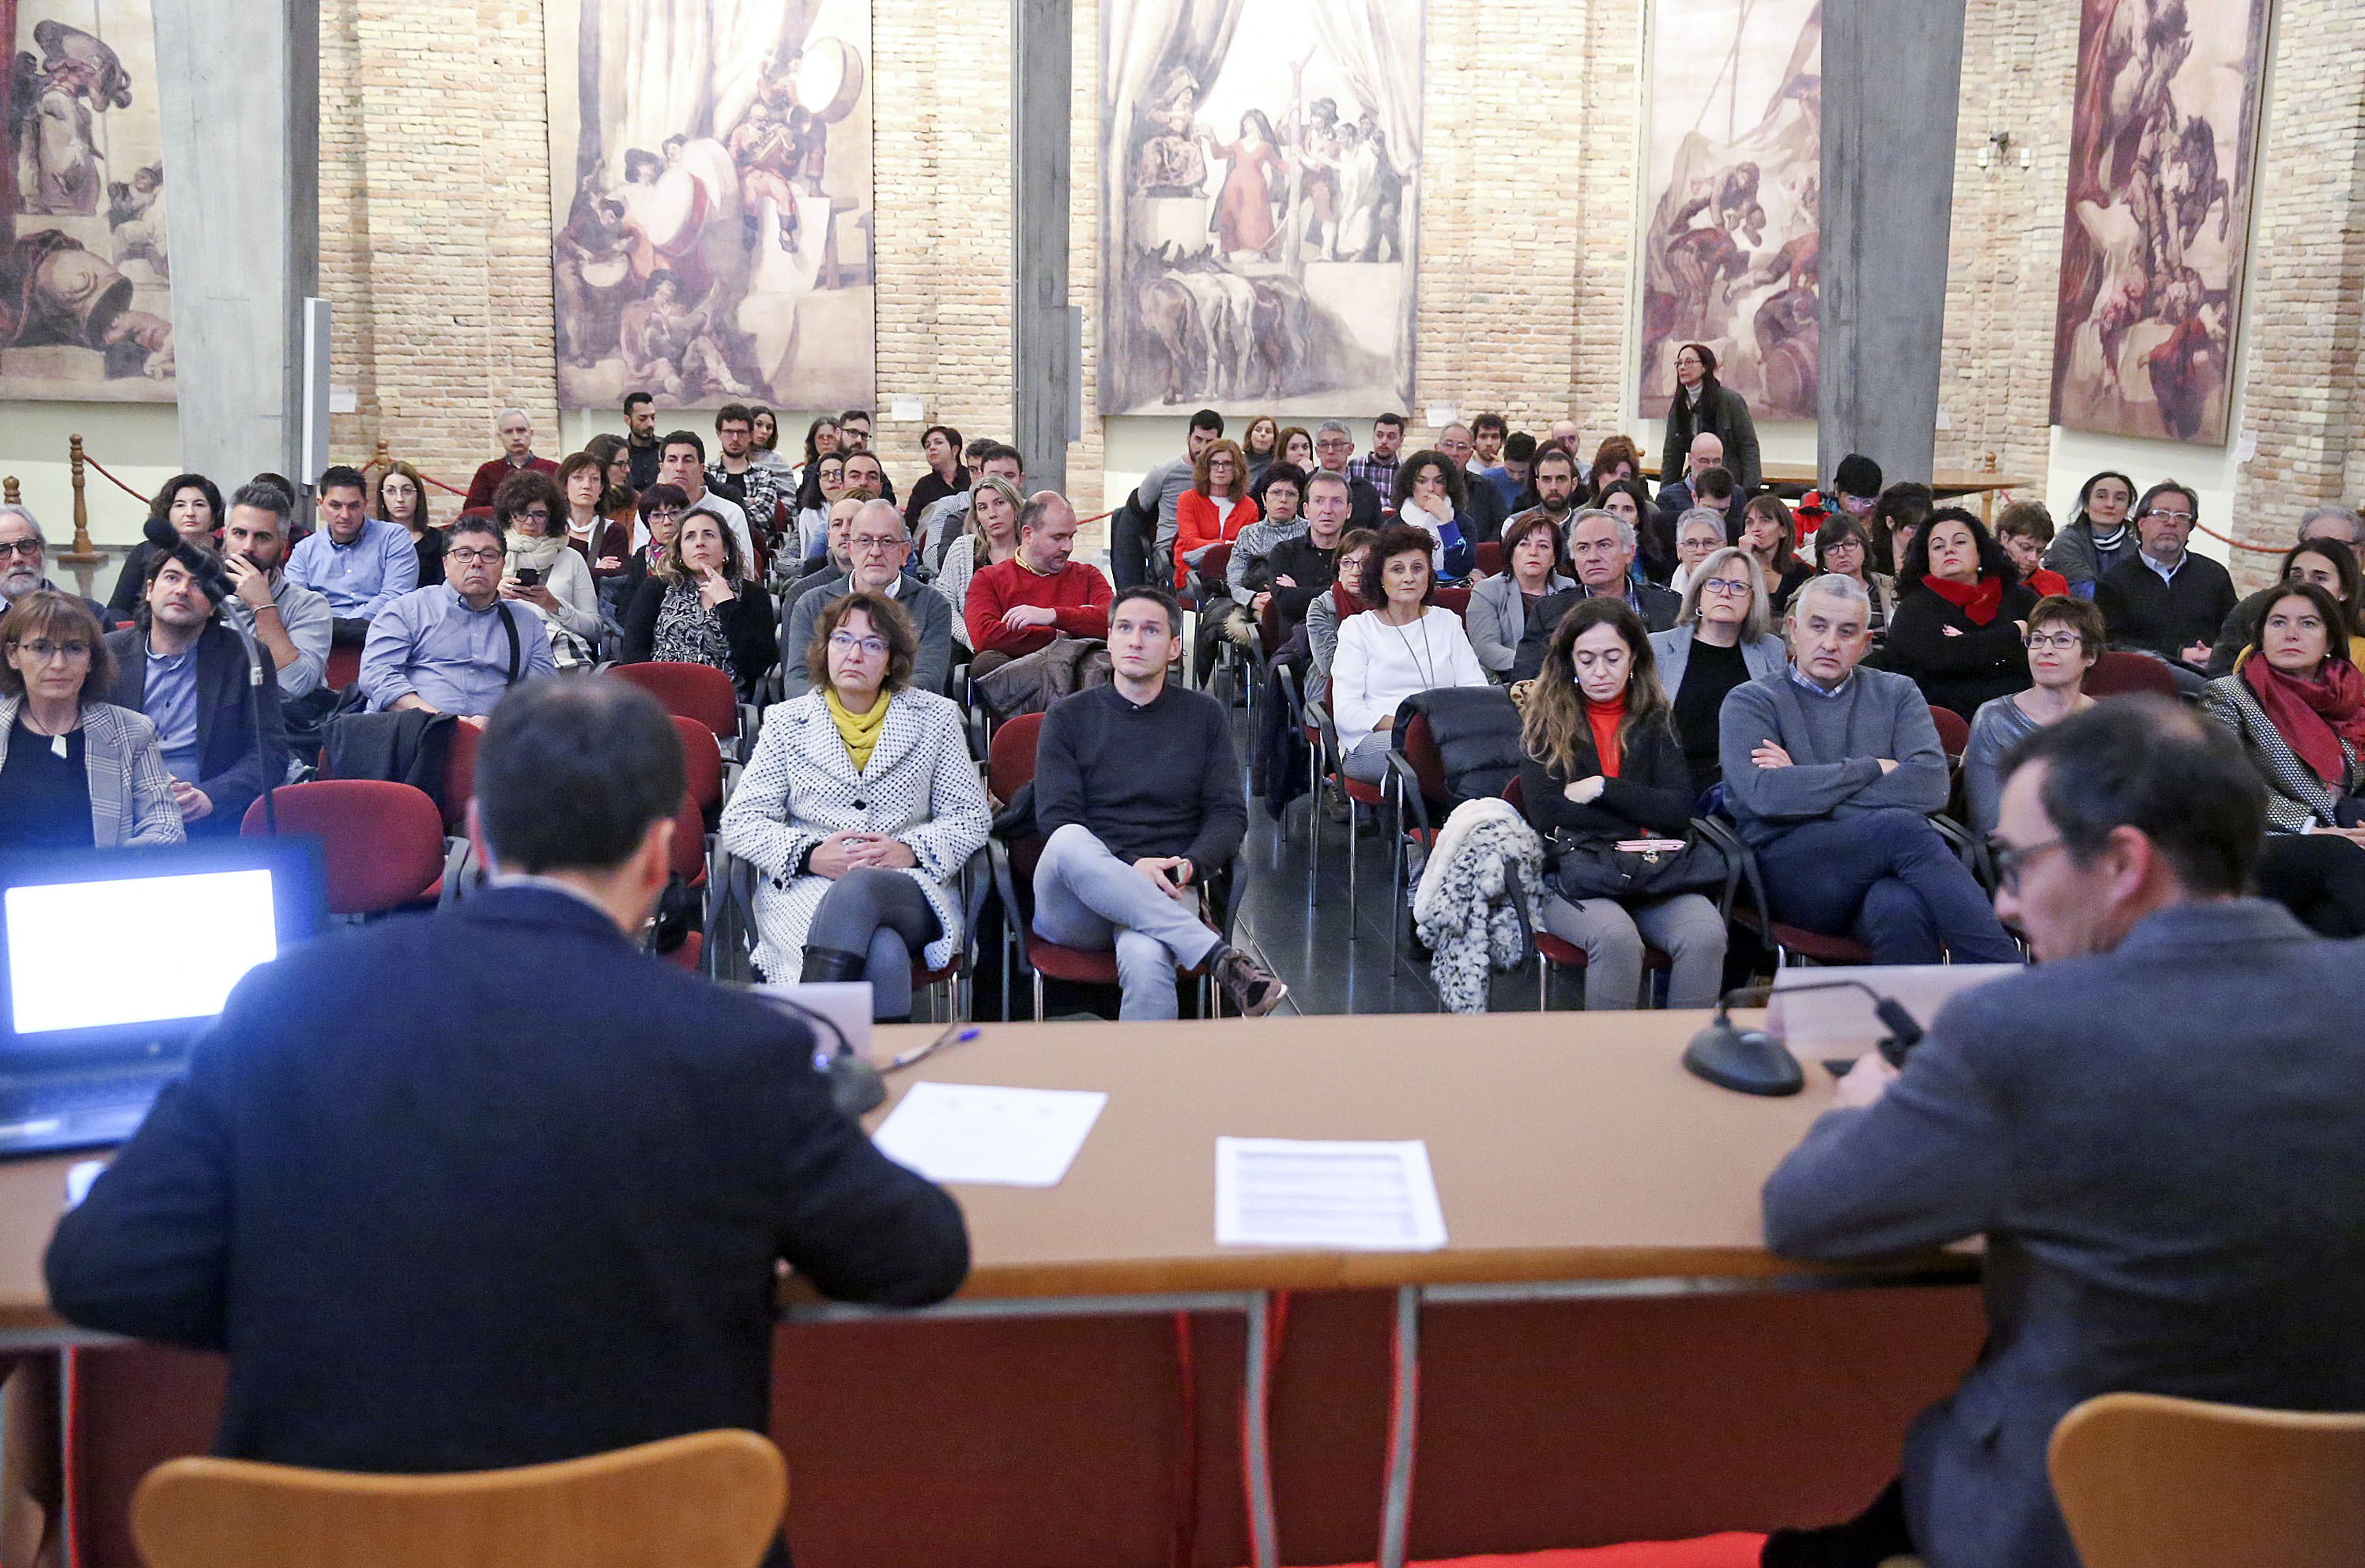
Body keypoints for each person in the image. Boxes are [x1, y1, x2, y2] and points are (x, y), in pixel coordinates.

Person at [45, 678, 968, 1503]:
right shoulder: (739, 1049)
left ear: (477, 836)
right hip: (650, 1538)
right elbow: (920, 1255)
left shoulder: (282, 1007)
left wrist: (301, 1302)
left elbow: (98, 1268)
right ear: (659, 857)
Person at [1760, 696, 2365, 1568]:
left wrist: (1860, 1103)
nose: (2003, 902)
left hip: (2073, 1524)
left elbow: (1806, 1217)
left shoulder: (2015, 1037)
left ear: (2121, 863)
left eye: (2017, 862)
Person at [1719, 574, 2020, 964]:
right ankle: (2006, 976)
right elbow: (1767, 795)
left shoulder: (1897, 692)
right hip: (1790, 871)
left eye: (1847, 632)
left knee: (1899, 908)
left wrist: (1806, 780)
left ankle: (1919, 1026)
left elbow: (1930, 787)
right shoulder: (1751, 701)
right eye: (1818, 626)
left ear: (1864, 644)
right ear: (1793, 630)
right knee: (1901, 828)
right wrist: (1873, 768)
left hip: (1880, 869)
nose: (1830, 643)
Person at [721, 592, 990, 1016]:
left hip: (910, 885)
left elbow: (971, 816)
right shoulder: (786, 722)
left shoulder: (936, 717)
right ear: (824, 649)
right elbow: (741, 821)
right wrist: (809, 855)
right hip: (807, 889)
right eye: (843, 639)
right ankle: (873, 1079)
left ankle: (806, 1050)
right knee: (883, 955)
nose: (855, 654)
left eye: (873, 644)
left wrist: (910, 850)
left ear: (892, 658)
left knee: (860, 888)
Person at [1031, 586, 1284, 1020]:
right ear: (1108, 640)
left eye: (1151, 630)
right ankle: (1219, 955)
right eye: (1124, 628)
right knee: (1069, 838)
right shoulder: (1068, 716)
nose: (1135, 640)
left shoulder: (1203, 716)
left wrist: (1190, 865)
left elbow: (1227, 813)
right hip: (1076, 903)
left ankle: (1150, 1085)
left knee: (1148, 960)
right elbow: (1056, 819)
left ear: (1173, 647)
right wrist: (1130, 865)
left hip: (1170, 882)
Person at [1518, 599, 1727, 1008]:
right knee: (1616, 939)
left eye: (1613, 658)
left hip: (1653, 872)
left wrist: (1603, 788)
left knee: (1706, 933)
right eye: (1587, 659)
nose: (1600, 672)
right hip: (1573, 871)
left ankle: (1682, 1058)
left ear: (1633, 658)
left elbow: (1678, 810)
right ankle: (1611, 1067)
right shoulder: (1545, 722)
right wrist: (1640, 822)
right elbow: (1548, 812)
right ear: (1569, 662)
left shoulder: (1654, 717)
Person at [2201, 580, 2365, 938]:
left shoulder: (2352, 701)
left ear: (2331, 639)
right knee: (2338, 856)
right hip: (2257, 840)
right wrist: (2316, 830)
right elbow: (2222, 785)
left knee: (2329, 921)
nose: (2291, 633)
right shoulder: (2229, 695)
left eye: (2308, 623)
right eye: (2278, 623)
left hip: (2339, 844)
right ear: (2260, 636)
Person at [102, 543, 285, 836]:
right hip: (124, 811)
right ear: (150, 590)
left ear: (214, 604)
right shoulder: (107, 654)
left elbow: (269, 753)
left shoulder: (245, 656)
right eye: (172, 577)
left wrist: (211, 796)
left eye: (198, 583)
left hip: (208, 818)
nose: (182, 590)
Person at [0, 590, 182, 850]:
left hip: (96, 884)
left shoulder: (131, 731)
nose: (59, 664)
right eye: (41, 648)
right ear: (13, 655)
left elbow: (166, 826)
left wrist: (109, 871)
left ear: (90, 660)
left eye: (75, 648)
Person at [1330, 524, 1490, 782]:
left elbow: (1476, 690)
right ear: (1381, 579)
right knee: (1425, 754)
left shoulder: (1447, 622)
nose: (1409, 577)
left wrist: (1443, 726)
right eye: (1397, 569)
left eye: (1417, 568)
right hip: (1372, 740)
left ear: (1429, 575)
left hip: (1444, 733)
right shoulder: (1358, 629)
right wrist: (1414, 728)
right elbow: (1347, 714)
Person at [360, 515, 557, 718]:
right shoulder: (407, 610)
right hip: (415, 731)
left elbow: (541, 696)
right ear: (446, 564)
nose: (476, 563)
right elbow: (377, 675)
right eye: (464, 554)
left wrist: (494, 725)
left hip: (493, 740)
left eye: (488, 555)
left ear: (503, 565)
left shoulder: (527, 623)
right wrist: (443, 721)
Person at [1649, 545, 1786, 799]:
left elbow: (1781, 724)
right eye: (1715, 583)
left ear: (1753, 599)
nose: (1725, 593)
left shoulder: (1770, 650)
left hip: (1745, 785)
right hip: (1674, 784)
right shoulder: (1657, 648)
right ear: (1699, 592)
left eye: (1738, 586)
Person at [782, 502, 952, 697]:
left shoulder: (933, 605)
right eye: (865, 541)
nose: (875, 551)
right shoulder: (810, 604)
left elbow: (928, 680)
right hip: (825, 721)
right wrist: (844, 714)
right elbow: (799, 681)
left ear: (904, 553)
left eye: (887, 541)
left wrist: (868, 708)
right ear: (851, 550)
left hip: (905, 722)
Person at [1962, 596, 2101, 834]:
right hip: (2020, 857)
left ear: (2090, 655)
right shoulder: (1994, 719)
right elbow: (1988, 824)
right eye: (2037, 640)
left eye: (2062, 640)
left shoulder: (2107, 722)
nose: (2045, 650)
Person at [1884, 507, 2038, 719]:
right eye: (1938, 546)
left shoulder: (2020, 598)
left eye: (1960, 542)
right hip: (1941, 724)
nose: (1949, 550)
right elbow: (1945, 658)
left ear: (1980, 552)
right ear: (1927, 560)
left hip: (2019, 717)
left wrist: (1968, 642)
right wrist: (2014, 632)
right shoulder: (1914, 608)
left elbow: (2045, 647)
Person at [620, 511, 778, 701]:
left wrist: (726, 603)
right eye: (690, 537)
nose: (699, 543)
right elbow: (633, 655)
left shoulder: (752, 595)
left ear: (726, 549)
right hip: (658, 700)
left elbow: (757, 664)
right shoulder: (655, 589)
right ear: (679, 552)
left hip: (721, 702)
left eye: (709, 535)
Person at [962, 493, 1112, 677]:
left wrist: (1052, 615)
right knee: (987, 663)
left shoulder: (1088, 575)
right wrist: (1059, 634)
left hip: (1078, 677)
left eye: (1071, 537)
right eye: (1058, 538)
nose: (1068, 547)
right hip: (1022, 683)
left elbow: (1112, 620)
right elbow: (984, 637)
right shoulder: (988, 579)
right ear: (1028, 535)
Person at [2093, 480, 2239, 667]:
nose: (2171, 522)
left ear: (2189, 528)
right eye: (2161, 515)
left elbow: (2236, 631)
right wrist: (2178, 653)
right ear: (2142, 523)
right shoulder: (2114, 581)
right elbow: (2112, 643)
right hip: (2143, 678)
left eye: (2181, 516)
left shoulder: (2214, 575)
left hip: (2208, 675)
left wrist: (2217, 653)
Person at [217, 482, 333, 705]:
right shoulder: (201, 597)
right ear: (224, 538)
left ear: (283, 546)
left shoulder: (309, 605)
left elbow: (295, 686)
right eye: (240, 533)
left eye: (262, 537)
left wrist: (262, 607)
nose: (248, 547)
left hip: (278, 729)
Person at [285, 466, 419, 646]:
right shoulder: (304, 550)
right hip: (321, 641)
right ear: (320, 504)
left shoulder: (393, 538)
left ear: (365, 503)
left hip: (381, 635)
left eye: (353, 506)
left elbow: (396, 596)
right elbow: (296, 604)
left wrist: (342, 624)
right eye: (336, 506)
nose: (345, 515)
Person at [2208, 530, 2365, 677]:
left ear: (2344, 590)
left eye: (2319, 578)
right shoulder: (2253, 653)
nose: (2305, 585)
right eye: (2296, 577)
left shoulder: (2361, 654)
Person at [495, 471, 604, 662]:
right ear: (509, 516)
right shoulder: (492, 554)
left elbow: (595, 631)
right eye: (521, 513)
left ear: (552, 517)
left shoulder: (571, 558)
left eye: (539, 514)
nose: (530, 522)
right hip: (502, 651)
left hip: (560, 655)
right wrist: (493, 596)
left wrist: (554, 605)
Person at [1466, 510, 1575, 682]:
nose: (1533, 552)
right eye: (1524, 544)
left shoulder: (1568, 588)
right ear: (1511, 553)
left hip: (1560, 680)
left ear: (1554, 557)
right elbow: (1486, 648)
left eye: (1543, 546)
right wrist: (1535, 666)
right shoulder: (1487, 591)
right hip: (1507, 680)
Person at [1123, 409, 1223, 590]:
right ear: (1188, 438)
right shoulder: (1163, 473)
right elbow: (1136, 512)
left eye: (1210, 442)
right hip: (1170, 553)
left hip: (1211, 548)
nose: (1202, 448)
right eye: (1198, 440)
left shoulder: (1226, 474)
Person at [110, 474, 224, 620]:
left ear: (213, 515)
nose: (190, 513)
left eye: (199, 505)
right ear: (168, 514)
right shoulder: (145, 552)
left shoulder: (226, 552)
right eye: (180, 505)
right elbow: (119, 609)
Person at [1658, 342, 1761, 493]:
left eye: (1689, 362)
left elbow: (1748, 448)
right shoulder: (1679, 405)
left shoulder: (1730, 400)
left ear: (1705, 368)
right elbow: (1672, 456)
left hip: (1730, 484)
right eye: (1679, 363)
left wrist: (1750, 493)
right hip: (1695, 484)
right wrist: (1665, 494)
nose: (1682, 367)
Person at [1559, 508, 1680, 632]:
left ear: (1630, 552)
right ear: (1573, 556)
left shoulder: (1670, 605)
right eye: (1583, 548)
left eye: (1604, 545)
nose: (1592, 557)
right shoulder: (1546, 612)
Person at [937, 476, 1022, 653]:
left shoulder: (1033, 551)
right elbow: (945, 605)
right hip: (971, 648)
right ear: (977, 518)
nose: (992, 514)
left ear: (1015, 506)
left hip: (1026, 644)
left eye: (999, 503)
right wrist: (973, 638)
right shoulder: (962, 549)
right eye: (983, 508)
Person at [1264, 474, 1349, 638]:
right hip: (1300, 650)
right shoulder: (1284, 552)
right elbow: (1285, 602)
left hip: (1352, 646)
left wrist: (1301, 592)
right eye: (1319, 501)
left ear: (1348, 511)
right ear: (1306, 510)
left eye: (1337, 501)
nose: (1328, 510)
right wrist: (1342, 591)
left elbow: (1366, 599)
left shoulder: (1361, 554)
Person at [654, 430, 755, 566]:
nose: (679, 468)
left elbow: (744, 570)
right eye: (672, 460)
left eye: (688, 460)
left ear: (701, 469)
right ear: (662, 468)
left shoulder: (731, 513)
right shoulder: (651, 513)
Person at [1172, 437, 1258, 592]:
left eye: (1227, 463)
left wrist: (1221, 547)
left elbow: (1247, 548)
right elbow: (1190, 542)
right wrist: (1225, 545)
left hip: (1235, 572)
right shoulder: (1188, 499)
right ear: (1205, 467)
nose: (1220, 469)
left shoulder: (1249, 505)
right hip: (1193, 571)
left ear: (1237, 468)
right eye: (1214, 463)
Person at [1, 503, 108, 625]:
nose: (17, 558)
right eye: (2, 550)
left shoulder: (90, 615)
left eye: (26, 546)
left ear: (42, 550)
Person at [2039, 469, 2138, 597]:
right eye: (2101, 496)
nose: (2110, 504)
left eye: (2120, 498)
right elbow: (2083, 594)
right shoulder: (2067, 542)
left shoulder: (2139, 543)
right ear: (2086, 505)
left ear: (2127, 509)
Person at [1306, 528, 1377, 705]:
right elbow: (1330, 665)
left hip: (1382, 693)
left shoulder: (1389, 604)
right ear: (1338, 568)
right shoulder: (1321, 607)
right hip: (1330, 694)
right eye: (1347, 563)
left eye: (1365, 563)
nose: (1356, 571)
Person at [1227, 462, 1308, 612]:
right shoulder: (1248, 534)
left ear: (1299, 500)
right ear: (1264, 499)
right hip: (1257, 603)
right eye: (1276, 493)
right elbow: (1234, 581)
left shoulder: (1311, 531)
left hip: (1301, 604)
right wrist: (1252, 600)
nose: (1283, 499)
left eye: (1291, 494)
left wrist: (1288, 594)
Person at [706, 404, 789, 545]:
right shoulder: (707, 474)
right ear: (719, 433)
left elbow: (762, 518)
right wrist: (747, 501)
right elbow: (698, 514)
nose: (735, 438)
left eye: (741, 432)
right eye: (729, 432)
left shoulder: (764, 474)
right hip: (710, 545)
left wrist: (720, 507)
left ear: (750, 435)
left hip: (752, 546)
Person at [1391, 450, 1477, 583]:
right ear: (1410, 485)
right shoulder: (1394, 525)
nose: (1431, 488)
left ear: (1448, 485)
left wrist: (1446, 521)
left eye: (1439, 481)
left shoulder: (1463, 523)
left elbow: (1460, 568)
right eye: (1422, 481)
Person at [462, 409, 560, 512]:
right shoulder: (487, 471)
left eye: (521, 430)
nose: (516, 437)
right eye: (509, 432)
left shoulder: (553, 470)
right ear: (500, 437)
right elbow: (472, 511)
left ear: (531, 433)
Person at [1811, 515, 1894, 632]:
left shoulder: (1890, 587)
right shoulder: (1807, 594)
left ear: (1865, 548)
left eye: (1849, 544)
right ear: (1822, 557)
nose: (1841, 553)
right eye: (1831, 548)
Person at [1736, 492, 1812, 612]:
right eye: (1749, 522)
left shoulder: (1799, 573)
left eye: (1765, 521)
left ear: (1783, 531)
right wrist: (1743, 559)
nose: (1755, 529)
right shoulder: (1730, 569)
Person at [374, 460, 443, 589]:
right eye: (391, 491)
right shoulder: (371, 540)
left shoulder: (438, 540)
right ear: (382, 496)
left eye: (406, 490)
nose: (399, 499)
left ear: (418, 495)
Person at [1435, 424, 1507, 543]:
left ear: (1470, 454)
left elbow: (1501, 525)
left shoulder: (1487, 488)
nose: (1454, 453)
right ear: (1437, 449)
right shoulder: (1423, 487)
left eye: (1462, 447)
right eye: (1448, 445)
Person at [1311, 420, 1386, 530]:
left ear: (1351, 449)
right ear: (1317, 451)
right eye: (1324, 445)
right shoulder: (1305, 484)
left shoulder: (1367, 491)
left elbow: (1377, 533)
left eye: (1337, 444)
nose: (1330, 451)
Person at [900, 424, 969, 536]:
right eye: (928, 446)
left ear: (955, 450)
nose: (932, 448)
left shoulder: (971, 478)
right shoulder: (923, 486)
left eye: (938, 442)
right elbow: (910, 524)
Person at [1506, 443, 1582, 543]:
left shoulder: (1586, 526)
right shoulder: (1514, 525)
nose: (1553, 487)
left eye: (1561, 479)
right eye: (1546, 479)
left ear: (1574, 483)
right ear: (1538, 484)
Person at [1992, 501, 2069, 597]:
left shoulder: (2054, 583)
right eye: (2025, 548)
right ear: (2005, 538)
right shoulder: (1983, 579)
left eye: (2040, 551)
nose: (2033, 558)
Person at [1869, 482, 1935, 578]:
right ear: (1890, 523)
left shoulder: (1932, 559)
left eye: (1925, 527)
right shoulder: (1871, 559)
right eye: (1913, 528)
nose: (1920, 533)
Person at [794, 452, 849, 564]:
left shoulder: (859, 509)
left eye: (838, 473)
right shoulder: (807, 514)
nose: (831, 479)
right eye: (825, 474)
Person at [1665, 508, 1729, 600]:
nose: (1700, 551)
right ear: (1679, 551)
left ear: (1723, 547)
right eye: (1691, 543)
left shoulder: (1738, 591)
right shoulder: (1661, 596)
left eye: (1709, 543)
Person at [620, 390, 663, 490]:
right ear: (627, 420)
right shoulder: (620, 453)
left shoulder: (667, 449)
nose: (650, 424)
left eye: (653, 418)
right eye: (642, 419)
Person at [1240, 415, 1281, 484]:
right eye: (1258, 430)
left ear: (1274, 440)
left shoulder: (1278, 463)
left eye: (1268, 432)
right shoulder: (1238, 460)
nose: (1263, 434)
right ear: (1250, 435)